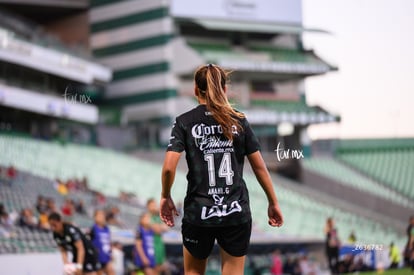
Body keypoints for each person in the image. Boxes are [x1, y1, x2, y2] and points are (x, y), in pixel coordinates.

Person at [160, 64, 283, 275]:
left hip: (199, 213)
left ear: (196, 90)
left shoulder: (184, 122)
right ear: (224, 90)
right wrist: (273, 202)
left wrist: (165, 196)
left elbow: (169, 169)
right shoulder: (239, 120)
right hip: (235, 212)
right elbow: (260, 168)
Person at [146, 198, 170, 275]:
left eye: (155, 205)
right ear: (148, 206)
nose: (154, 207)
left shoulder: (158, 217)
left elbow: (166, 228)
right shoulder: (146, 217)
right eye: (152, 205)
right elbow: (156, 229)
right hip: (150, 245)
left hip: (159, 244)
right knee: (152, 269)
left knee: (159, 267)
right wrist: (159, 227)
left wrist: (158, 227)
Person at [90, 210, 114, 275]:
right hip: (97, 257)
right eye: (99, 215)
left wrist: (111, 252)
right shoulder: (93, 229)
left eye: (103, 215)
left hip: (106, 256)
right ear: (95, 217)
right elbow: (89, 242)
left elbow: (108, 241)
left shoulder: (106, 228)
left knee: (111, 271)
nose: (102, 217)